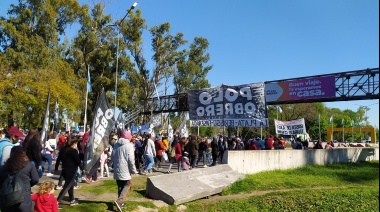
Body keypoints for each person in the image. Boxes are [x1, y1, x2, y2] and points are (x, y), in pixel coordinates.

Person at [0, 146, 39, 211]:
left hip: (7, 198)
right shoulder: (29, 165)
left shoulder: (4, 167)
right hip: (23, 197)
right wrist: (27, 186)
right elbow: (35, 179)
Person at [112, 129, 137, 212]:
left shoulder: (116, 145)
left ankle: (120, 202)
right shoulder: (129, 146)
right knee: (128, 184)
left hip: (117, 168)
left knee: (120, 185)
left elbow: (112, 156)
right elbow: (131, 159)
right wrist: (133, 169)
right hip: (125, 169)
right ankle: (119, 200)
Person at [55, 135, 83, 206]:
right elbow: (78, 161)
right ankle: (57, 201)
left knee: (70, 185)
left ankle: (72, 199)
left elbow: (58, 159)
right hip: (71, 171)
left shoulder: (64, 149)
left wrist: (56, 168)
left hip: (64, 169)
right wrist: (83, 169)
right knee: (66, 186)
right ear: (74, 143)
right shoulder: (73, 151)